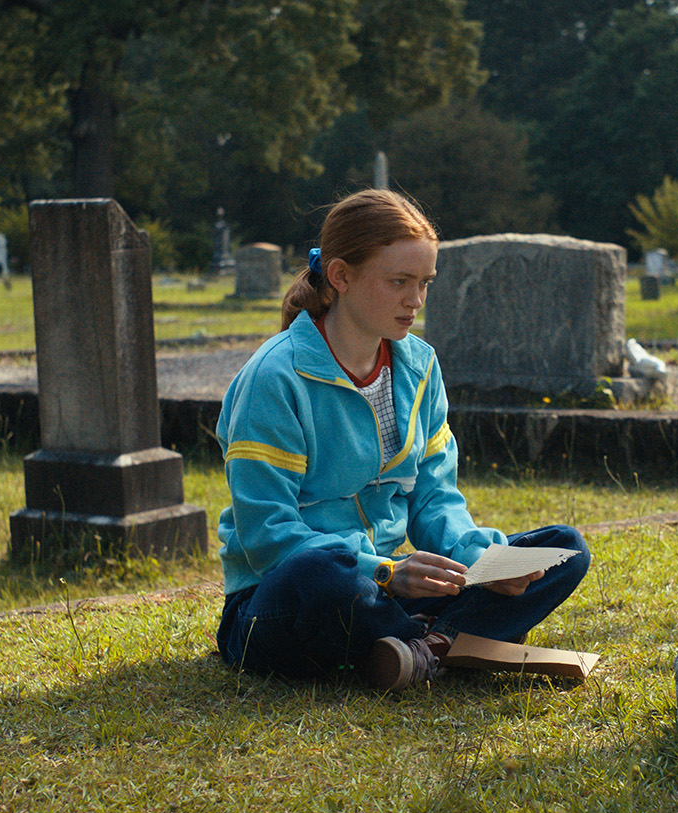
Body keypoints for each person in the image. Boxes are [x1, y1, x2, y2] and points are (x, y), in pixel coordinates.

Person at [213, 189, 590, 691]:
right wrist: (385, 571)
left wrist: (480, 560)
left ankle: (417, 649)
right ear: (342, 276)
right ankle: (450, 641)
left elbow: (434, 497)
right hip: (285, 598)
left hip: (386, 595)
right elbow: (268, 536)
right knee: (327, 574)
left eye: (425, 284)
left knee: (564, 549)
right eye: (399, 282)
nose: (415, 301)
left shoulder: (420, 366)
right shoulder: (275, 378)